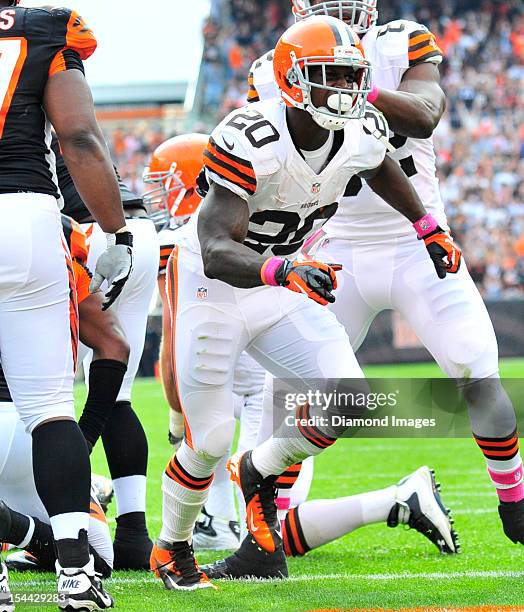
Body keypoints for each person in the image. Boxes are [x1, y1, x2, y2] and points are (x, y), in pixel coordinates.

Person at [150, 16, 461, 590]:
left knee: (349, 400)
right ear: (293, 81)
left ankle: (259, 470)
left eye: (351, 78)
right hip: (215, 288)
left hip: (280, 281)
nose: (343, 91)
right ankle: (171, 546)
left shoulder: (362, 126)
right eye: (329, 77)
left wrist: (426, 225)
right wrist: (283, 267)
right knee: (210, 437)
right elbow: (217, 248)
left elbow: (379, 163)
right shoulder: (250, 135)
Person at [246, 0, 524, 550]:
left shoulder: (401, 42)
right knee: (293, 391)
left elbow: (424, 114)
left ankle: (514, 501)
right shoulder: (274, 65)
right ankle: (268, 526)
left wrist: (347, 85)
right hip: (333, 245)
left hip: (416, 238)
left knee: (475, 366)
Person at [0, 3, 132, 608]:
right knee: (50, 407)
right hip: (25, 217)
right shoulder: (45, 27)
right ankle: (77, 570)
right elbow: (78, 136)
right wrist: (116, 232)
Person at [144, 133, 265, 551]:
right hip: (278, 381)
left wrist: (176, 414)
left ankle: (390, 502)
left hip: (239, 380)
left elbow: (174, 342)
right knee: (270, 514)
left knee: (205, 432)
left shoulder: (178, 241)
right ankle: (226, 524)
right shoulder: (248, 222)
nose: (157, 197)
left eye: (164, 185)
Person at [53, 134, 157, 570]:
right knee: (118, 394)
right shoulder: (54, 87)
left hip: (82, 233)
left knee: (43, 399)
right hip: (135, 233)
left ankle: (65, 525)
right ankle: (134, 534)